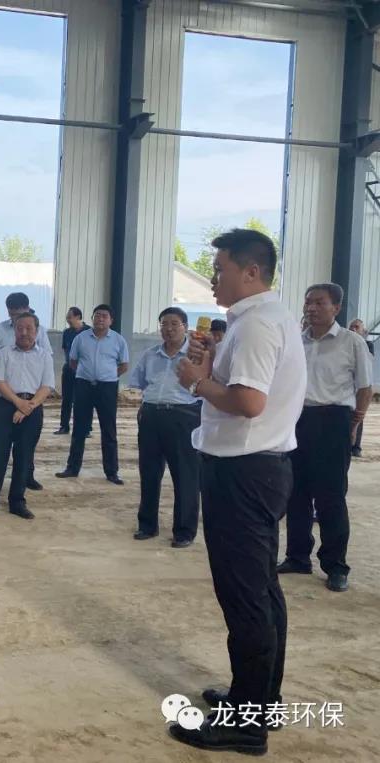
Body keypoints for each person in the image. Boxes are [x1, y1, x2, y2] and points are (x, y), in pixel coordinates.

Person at [171, 228, 306, 755]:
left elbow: (248, 402)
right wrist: (211, 366)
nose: (213, 278)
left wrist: (194, 380)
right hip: (259, 469)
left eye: (220, 268)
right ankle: (260, 699)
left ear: (251, 272)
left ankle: (246, 724)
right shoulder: (266, 318)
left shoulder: (256, 325)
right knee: (262, 589)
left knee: (245, 597)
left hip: (243, 473)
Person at [277, 283, 371, 593]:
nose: (311, 308)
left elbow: (364, 387)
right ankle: (297, 557)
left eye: (319, 302)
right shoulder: (296, 341)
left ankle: (335, 565)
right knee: (296, 493)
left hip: (333, 421)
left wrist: (355, 421)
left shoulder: (351, 342)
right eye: (308, 302)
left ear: (336, 308)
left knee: (330, 497)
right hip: (297, 420)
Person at [127, 307, 200, 548]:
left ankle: (184, 531)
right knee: (149, 473)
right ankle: (147, 525)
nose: (168, 329)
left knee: (185, 475)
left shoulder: (196, 357)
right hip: (151, 416)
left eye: (174, 324)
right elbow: (138, 383)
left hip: (183, 417)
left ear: (185, 327)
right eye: (164, 324)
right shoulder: (150, 355)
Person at [0, 313, 54, 521]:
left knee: (24, 457)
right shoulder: (4, 353)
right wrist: (18, 404)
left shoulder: (44, 356)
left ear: (37, 331)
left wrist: (28, 407)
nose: (24, 332)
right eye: (20, 328)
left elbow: (46, 386)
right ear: (15, 331)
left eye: (29, 328)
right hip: (5, 407)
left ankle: (17, 502)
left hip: (33, 408)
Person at [56, 304, 129, 484]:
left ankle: (111, 472)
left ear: (111, 320)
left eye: (104, 316)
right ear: (92, 318)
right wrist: (87, 374)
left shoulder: (118, 340)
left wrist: (107, 375)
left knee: (109, 430)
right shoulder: (81, 338)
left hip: (107, 387)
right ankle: (72, 468)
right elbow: (73, 361)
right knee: (79, 428)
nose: (100, 319)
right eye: (97, 315)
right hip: (84, 386)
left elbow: (124, 365)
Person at [54, 307, 89, 435]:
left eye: (70, 317)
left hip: (84, 371)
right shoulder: (67, 332)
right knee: (66, 399)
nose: (68, 320)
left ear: (78, 317)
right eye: (67, 317)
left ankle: (85, 428)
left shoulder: (89, 332)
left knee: (83, 400)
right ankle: (64, 426)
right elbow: (65, 350)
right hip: (69, 369)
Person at [348, 318, 373, 458]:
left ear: (364, 331)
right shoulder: (344, 343)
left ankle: (356, 446)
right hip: (348, 387)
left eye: (357, 327)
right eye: (352, 326)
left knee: (359, 415)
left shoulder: (367, 345)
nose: (353, 329)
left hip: (361, 384)